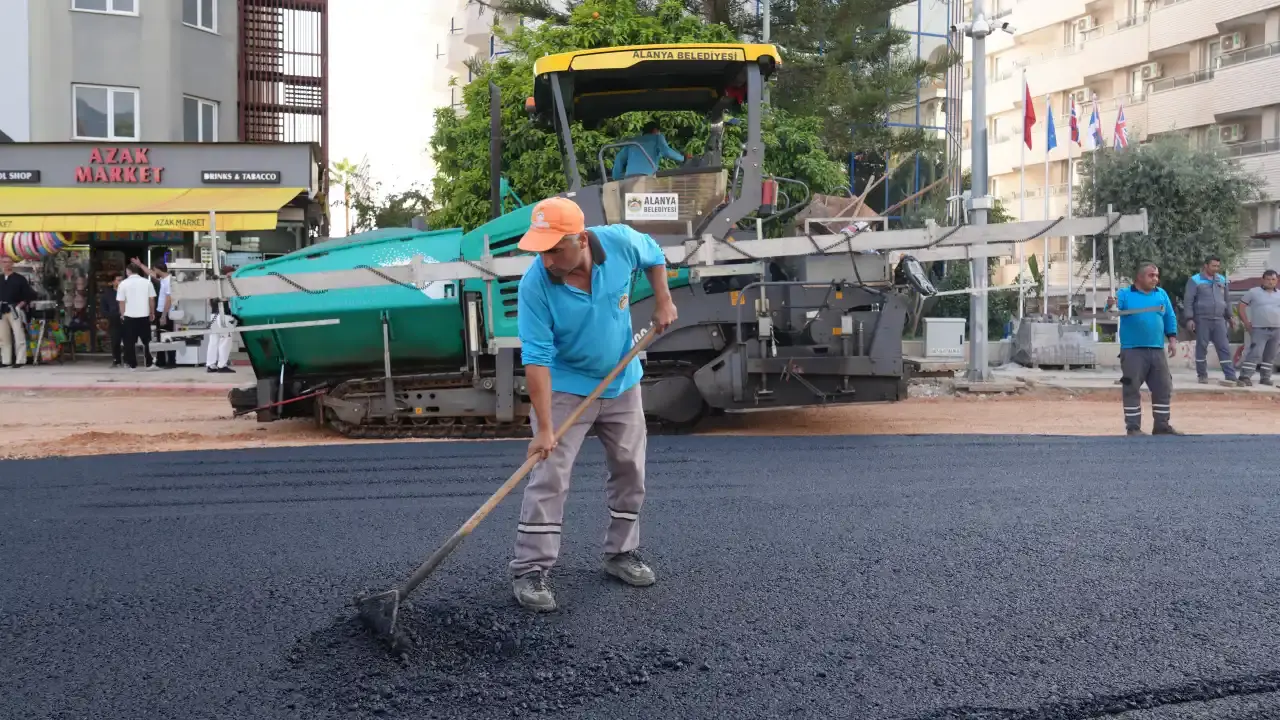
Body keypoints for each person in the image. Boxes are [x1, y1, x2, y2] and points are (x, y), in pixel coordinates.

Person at [507, 196, 678, 612]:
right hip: (566, 389)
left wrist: (663, 300)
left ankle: (621, 553)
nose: (546, 260)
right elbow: (536, 359)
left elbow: (655, 255)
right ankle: (530, 569)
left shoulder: (619, 242)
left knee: (630, 469)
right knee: (549, 475)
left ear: (581, 240)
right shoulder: (535, 285)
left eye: (554, 250)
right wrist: (545, 428)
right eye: (540, 251)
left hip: (621, 382)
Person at [1107, 262, 1181, 436]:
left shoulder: (1161, 294)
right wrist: (1110, 305)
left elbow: (1169, 317)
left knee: (1163, 387)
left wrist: (1172, 339)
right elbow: (1112, 312)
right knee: (1131, 388)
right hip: (1132, 351)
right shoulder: (1124, 294)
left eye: (1156, 275)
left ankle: (1162, 426)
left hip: (1157, 350)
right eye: (1151, 275)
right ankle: (1133, 428)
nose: (1155, 279)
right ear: (1139, 277)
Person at [1182, 255, 1238, 384]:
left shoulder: (1222, 280)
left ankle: (1230, 375)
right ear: (1206, 265)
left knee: (1224, 347)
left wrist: (1230, 317)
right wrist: (1189, 319)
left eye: (1218, 266)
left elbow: (1227, 300)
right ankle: (1202, 375)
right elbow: (1188, 301)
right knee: (1202, 347)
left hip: (1219, 319)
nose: (1216, 269)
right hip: (1202, 319)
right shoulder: (1195, 280)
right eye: (1213, 266)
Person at [1235, 269, 1280, 386]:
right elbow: (1241, 306)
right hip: (1259, 329)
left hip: (1276, 330)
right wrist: (1246, 322)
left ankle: (1265, 377)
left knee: (1270, 355)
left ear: (1277, 281)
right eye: (1268, 279)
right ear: (1262, 280)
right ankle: (1245, 376)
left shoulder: (1279, 294)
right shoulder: (1253, 292)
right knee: (1255, 353)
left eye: (1273, 279)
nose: (1270, 282)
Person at [611, 121, 687, 180]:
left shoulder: (634, 141)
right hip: (646, 178)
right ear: (655, 130)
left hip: (629, 177)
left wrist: (617, 178)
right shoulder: (657, 137)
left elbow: (619, 158)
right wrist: (683, 158)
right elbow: (666, 152)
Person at [116, 264, 156, 371]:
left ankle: (132, 364)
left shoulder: (123, 284)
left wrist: (122, 314)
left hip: (129, 316)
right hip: (144, 315)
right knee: (146, 340)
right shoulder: (147, 283)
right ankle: (149, 363)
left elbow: (121, 302)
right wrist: (152, 312)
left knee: (129, 341)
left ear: (128, 271)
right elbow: (151, 299)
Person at [0, 255, 36, 368]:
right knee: (3, 337)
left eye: (8, 262)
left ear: (12, 263)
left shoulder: (20, 279)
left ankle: (20, 360)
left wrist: (21, 305)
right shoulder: (0, 278)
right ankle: (5, 360)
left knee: (18, 335)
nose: (6, 264)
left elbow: (28, 294)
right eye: (4, 262)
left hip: (14, 309)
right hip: (1, 309)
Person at [205, 298, 237, 374]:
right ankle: (222, 365)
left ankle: (211, 365)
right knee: (226, 340)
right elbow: (225, 297)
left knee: (213, 341)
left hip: (214, 315)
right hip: (224, 314)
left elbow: (208, 301)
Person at [99, 274, 125, 368]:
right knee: (115, 341)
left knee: (128, 341)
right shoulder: (107, 295)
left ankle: (128, 360)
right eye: (118, 280)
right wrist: (111, 315)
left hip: (127, 318)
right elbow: (103, 309)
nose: (120, 282)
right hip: (114, 319)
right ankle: (116, 360)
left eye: (122, 280)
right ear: (113, 282)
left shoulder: (127, 292)